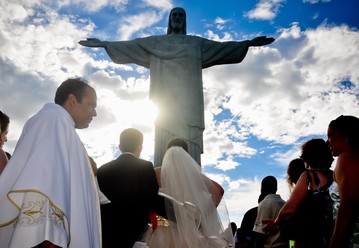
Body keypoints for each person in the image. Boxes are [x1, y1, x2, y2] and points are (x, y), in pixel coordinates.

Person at [79, 7, 275, 167]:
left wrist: (247, 44)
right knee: (165, 150)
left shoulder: (195, 43)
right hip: (165, 107)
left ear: (185, 20)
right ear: (170, 20)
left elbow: (221, 48)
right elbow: (132, 46)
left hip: (189, 108)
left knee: (188, 149)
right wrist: (104, 44)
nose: (178, 18)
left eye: (181, 15)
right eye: (175, 15)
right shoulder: (157, 43)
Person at [0, 78, 101, 248]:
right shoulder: (53, 120)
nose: (95, 112)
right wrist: (48, 234)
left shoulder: (60, 123)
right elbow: (43, 179)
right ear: (72, 100)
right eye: (92, 105)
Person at [148, 146, 233, 247]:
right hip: (188, 231)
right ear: (186, 154)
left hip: (162, 231)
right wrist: (203, 216)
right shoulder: (193, 176)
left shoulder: (156, 172)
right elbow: (219, 190)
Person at [97, 128, 166, 248]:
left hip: (107, 235)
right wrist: (178, 216)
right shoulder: (145, 167)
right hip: (136, 235)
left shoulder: (102, 170)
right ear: (140, 147)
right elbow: (152, 199)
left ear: (120, 146)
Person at [263, 138, 334, 248]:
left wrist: (276, 222)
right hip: (331, 234)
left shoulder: (309, 176)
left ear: (308, 157)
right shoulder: (334, 176)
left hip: (311, 237)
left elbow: (290, 208)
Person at [327, 115, 359, 248]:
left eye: (330, 135)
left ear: (346, 134)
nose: (328, 141)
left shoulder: (346, 159)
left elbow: (348, 207)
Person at [253, 175, 288, 248]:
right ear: (276, 188)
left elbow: (260, 234)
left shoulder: (265, 203)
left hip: (272, 245)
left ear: (261, 189)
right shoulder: (285, 204)